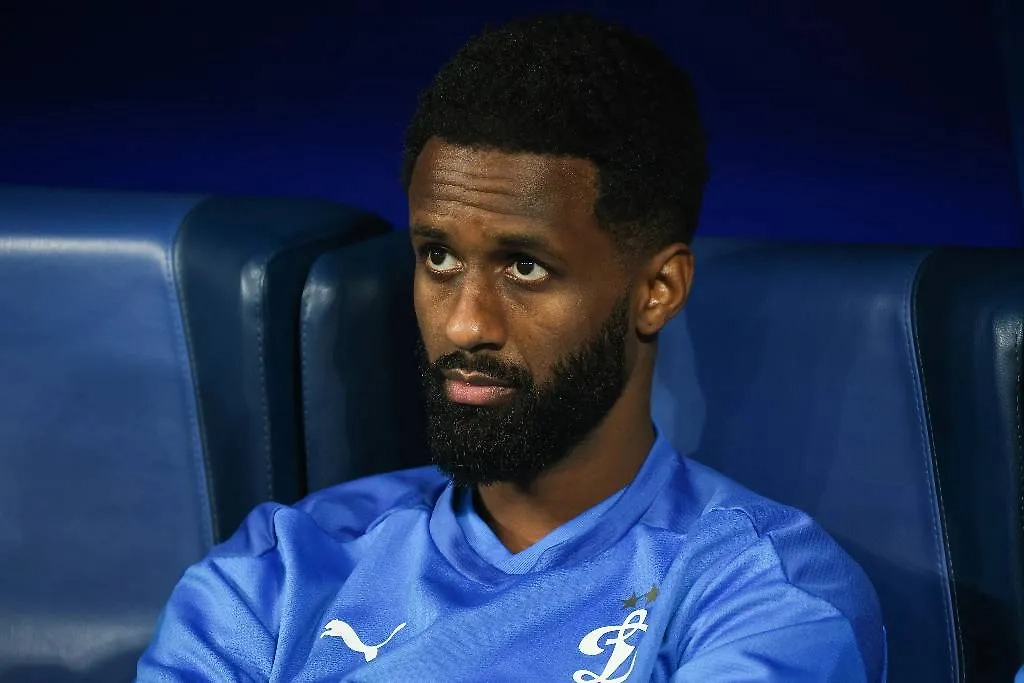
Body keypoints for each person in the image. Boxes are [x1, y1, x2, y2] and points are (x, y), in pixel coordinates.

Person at [137, 13, 885, 682]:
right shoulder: (281, 568)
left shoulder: (761, 593)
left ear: (656, 290)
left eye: (525, 267)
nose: (465, 325)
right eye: (438, 258)